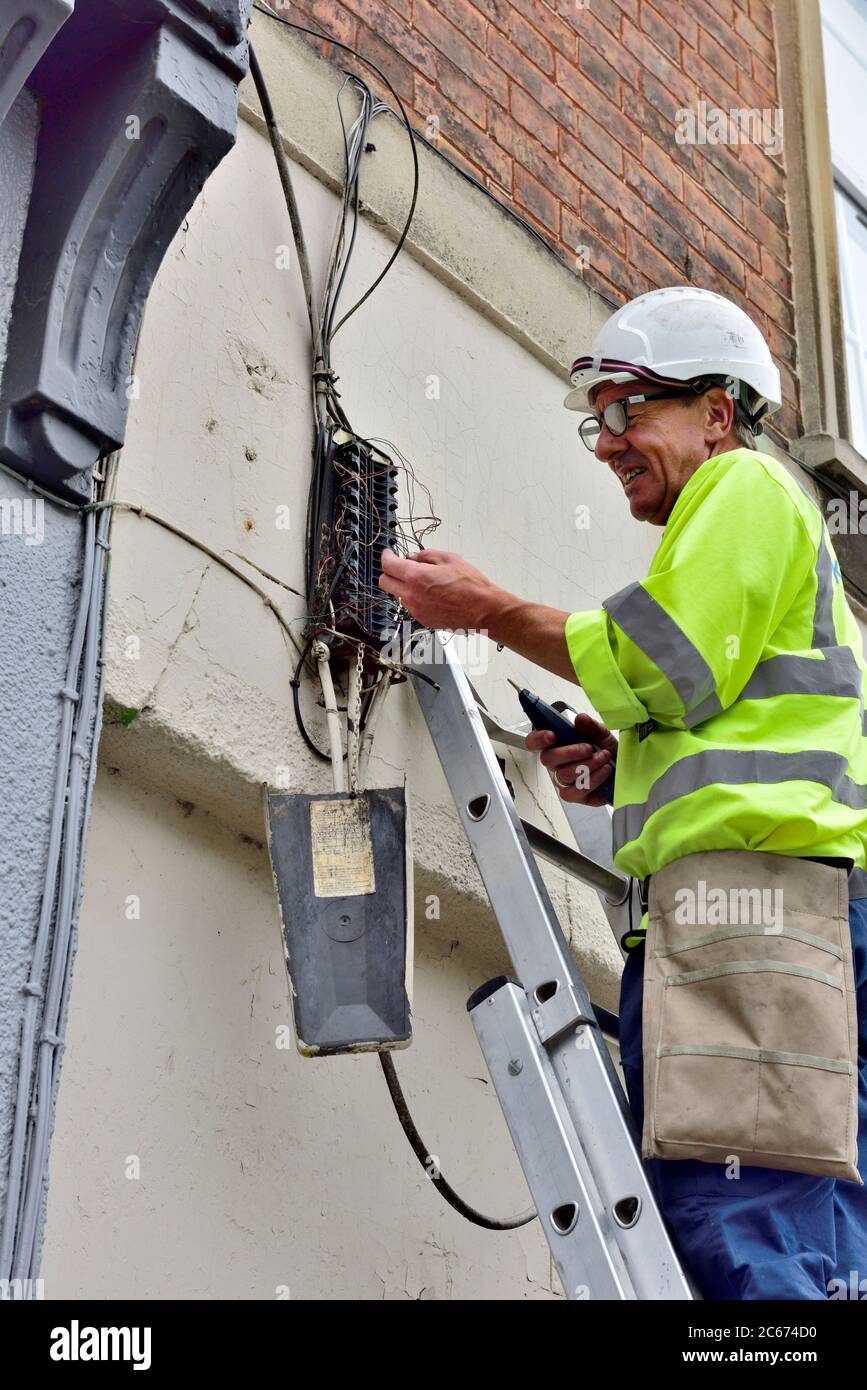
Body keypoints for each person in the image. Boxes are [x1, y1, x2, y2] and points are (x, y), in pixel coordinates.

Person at [378, 285, 867, 1300]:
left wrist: (491, 610)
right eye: (600, 420)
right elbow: (719, 702)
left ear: (719, 413)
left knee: (741, 1229)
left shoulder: (748, 489)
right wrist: (624, 756)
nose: (605, 442)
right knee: (814, 1242)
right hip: (798, 925)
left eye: (627, 409)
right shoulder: (766, 525)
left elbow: (671, 659)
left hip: (756, 923)